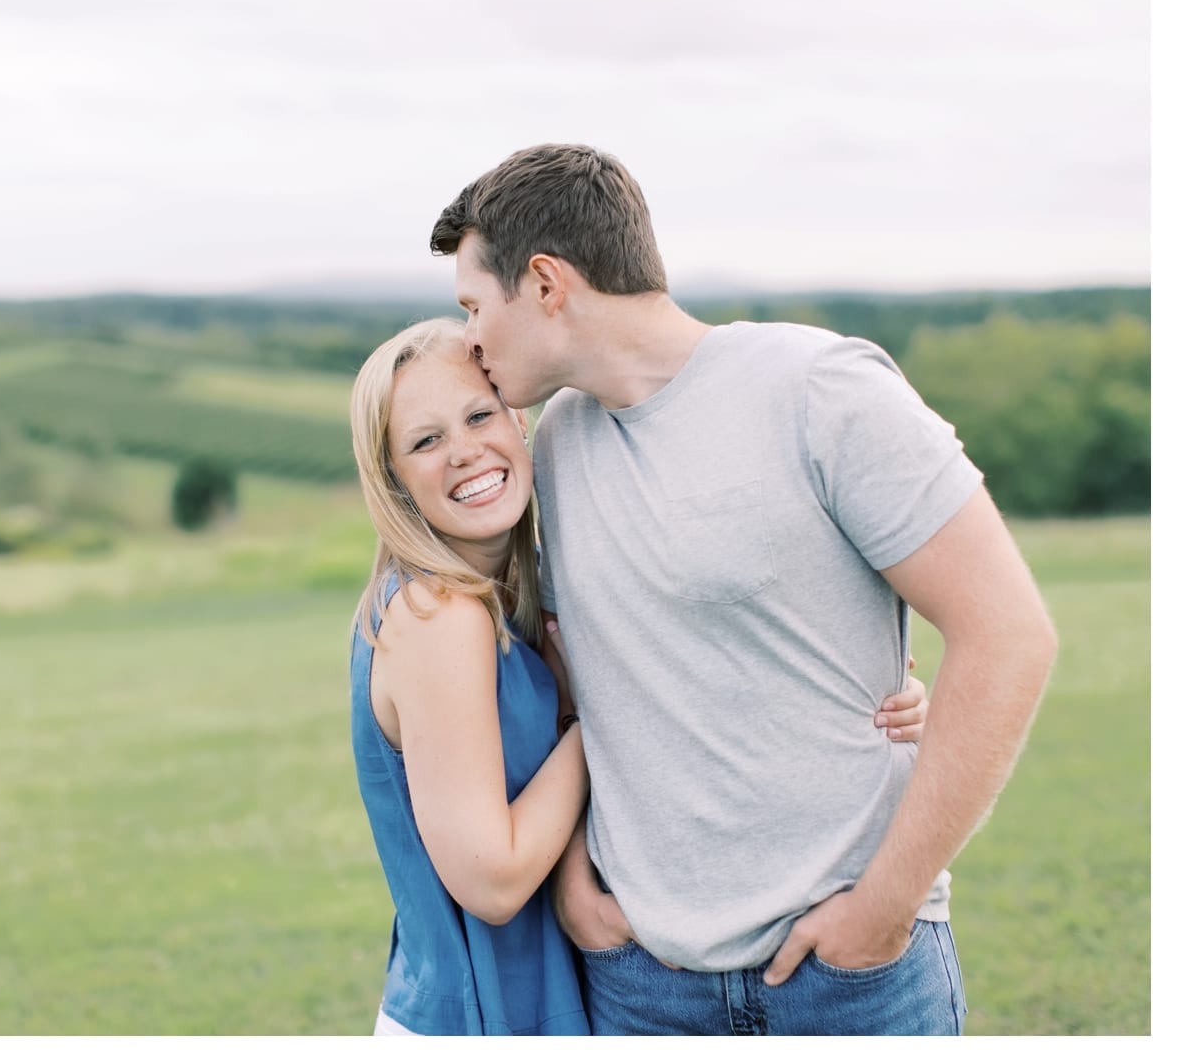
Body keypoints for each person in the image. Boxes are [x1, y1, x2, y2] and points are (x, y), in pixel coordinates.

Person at [428, 144, 1059, 1036]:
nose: (467, 338)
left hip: (849, 979)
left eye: (473, 305)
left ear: (543, 283)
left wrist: (884, 909)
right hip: (643, 985)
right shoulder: (558, 445)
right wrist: (576, 886)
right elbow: (578, 672)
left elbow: (1010, 635)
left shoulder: (821, 390)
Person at [346, 316, 934, 1036]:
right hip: (473, 1018)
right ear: (394, 481)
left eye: (478, 415)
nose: (466, 452)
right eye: (425, 441)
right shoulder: (440, 616)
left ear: (517, 422)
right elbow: (491, 881)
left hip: (520, 1002)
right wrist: (625, 698)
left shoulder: (491, 605)